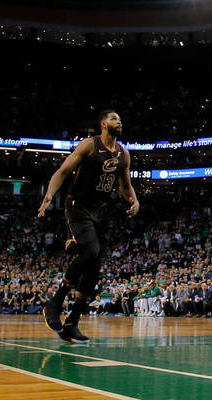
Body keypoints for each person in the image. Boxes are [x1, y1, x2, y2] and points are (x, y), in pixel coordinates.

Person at [38, 110, 139, 343]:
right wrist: (48, 196)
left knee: (94, 268)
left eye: (120, 119)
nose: (119, 121)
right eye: (114, 118)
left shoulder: (124, 154)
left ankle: (72, 323)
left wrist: (134, 200)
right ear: (103, 124)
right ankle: (55, 302)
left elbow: (126, 186)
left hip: (101, 211)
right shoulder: (89, 145)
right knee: (90, 251)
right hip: (78, 206)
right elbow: (63, 171)